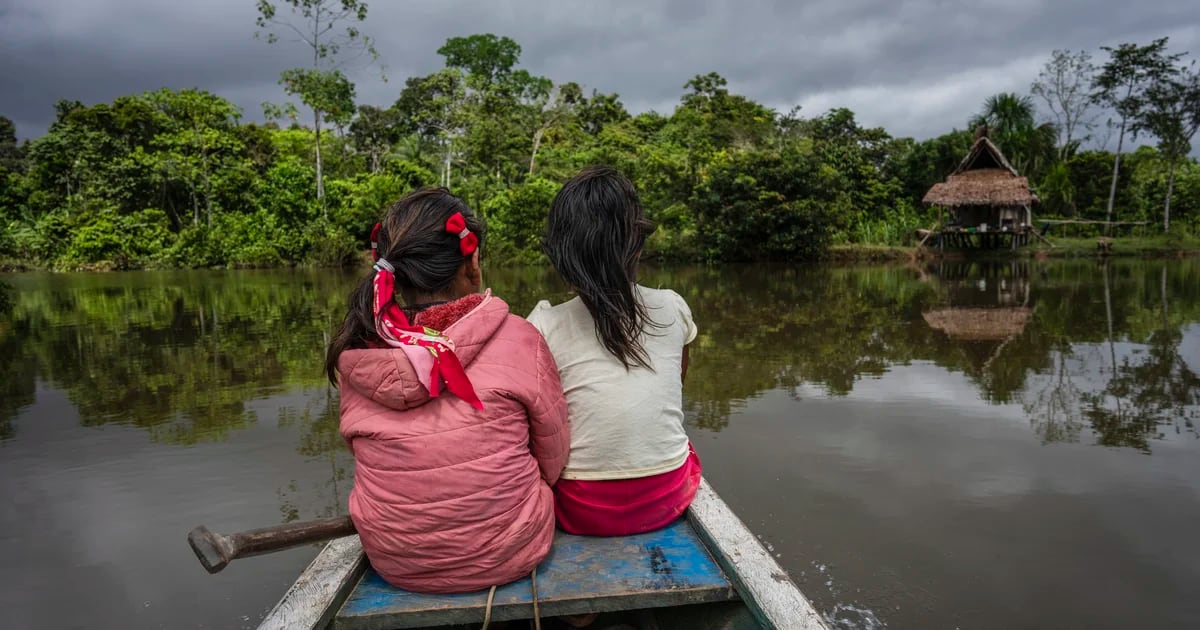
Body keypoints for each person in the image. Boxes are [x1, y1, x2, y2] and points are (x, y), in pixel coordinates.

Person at [325, 187, 570, 594]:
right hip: (511, 552)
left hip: (396, 562)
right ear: (472, 262)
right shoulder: (519, 336)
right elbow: (552, 455)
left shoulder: (357, 353)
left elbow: (364, 452)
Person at [527, 166, 702, 537]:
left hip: (579, 508)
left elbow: (537, 422)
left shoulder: (542, 326)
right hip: (666, 495)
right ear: (637, 245)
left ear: (562, 255)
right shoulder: (672, 307)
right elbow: (678, 383)